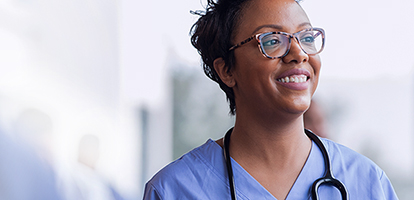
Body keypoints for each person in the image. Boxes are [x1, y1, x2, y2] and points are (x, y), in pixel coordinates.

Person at [143, 0, 399, 199]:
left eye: (307, 37)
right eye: (272, 40)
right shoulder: (173, 190)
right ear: (227, 71)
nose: (299, 53)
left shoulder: (367, 182)